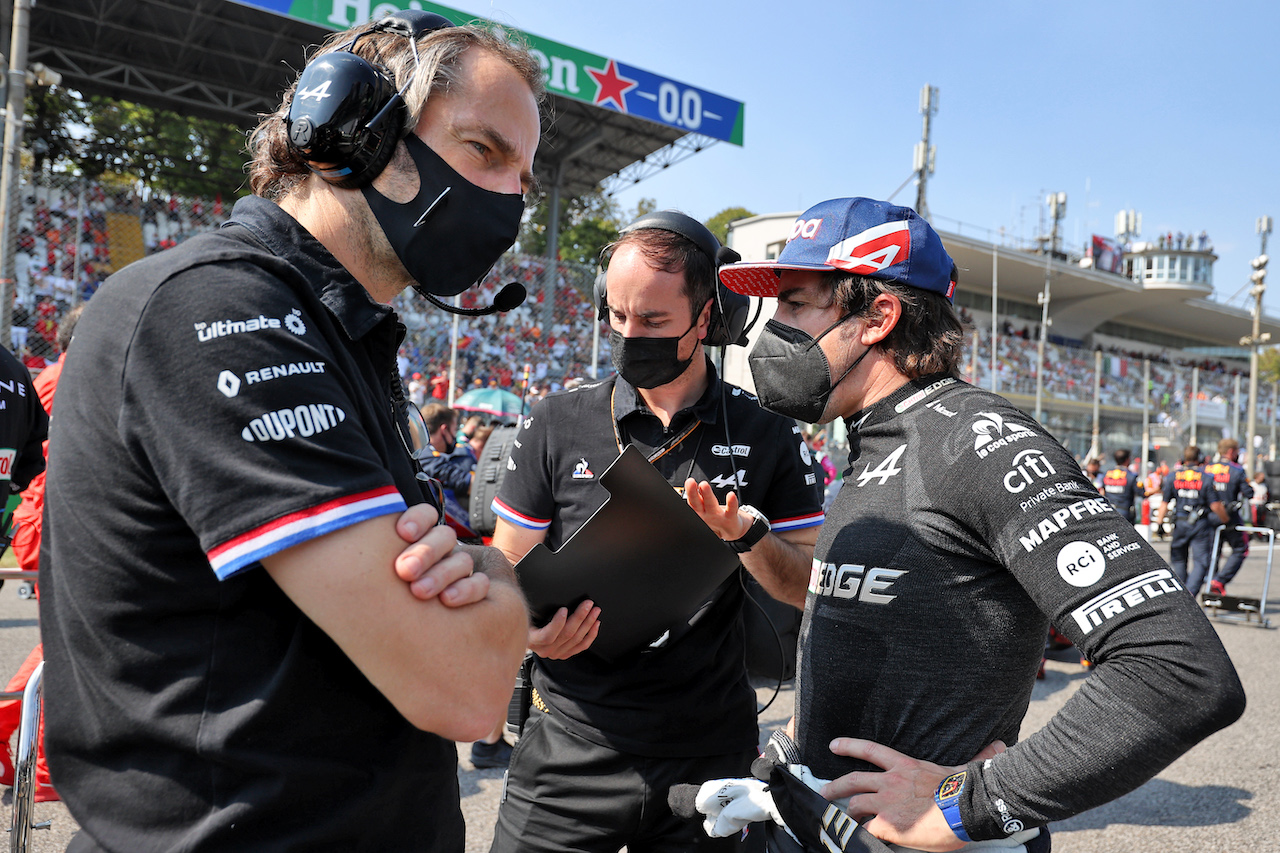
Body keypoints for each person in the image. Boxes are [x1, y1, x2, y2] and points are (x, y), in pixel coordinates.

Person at [40, 12, 541, 851]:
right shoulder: (217, 308)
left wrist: (479, 572)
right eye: (484, 150)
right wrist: (501, 582)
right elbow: (464, 689)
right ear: (351, 128)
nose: (509, 199)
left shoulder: (336, 332)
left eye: (524, 177)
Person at [709, 197, 1244, 851]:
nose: (774, 331)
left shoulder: (978, 441)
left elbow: (1177, 668)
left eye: (795, 304)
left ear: (878, 316)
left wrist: (975, 803)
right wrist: (792, 751)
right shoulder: (876, 442)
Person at [487, 212, 825, 852]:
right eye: (616, 315)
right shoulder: (558, 420)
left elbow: (810, 588)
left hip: (707, 753)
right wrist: (528, 630)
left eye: (653, 321)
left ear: (711, 318)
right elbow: (506, 563)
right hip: (567, 742)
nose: (627, 333)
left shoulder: (767, 432)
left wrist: (747, 538)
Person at [0, 303, 80, 801]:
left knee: (65, 640)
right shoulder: (59, 376)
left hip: (49, 519)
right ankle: (43, 766)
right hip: (54, 522)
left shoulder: (49, 375)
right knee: (67, 641)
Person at [1156, 445, 1229, 595]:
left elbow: (1164, 504)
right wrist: (1226, 520)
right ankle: (1190, 593)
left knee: (1178, 559)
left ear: (1183, 459)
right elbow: (1215, 506)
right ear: (1200, 459)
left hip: (1180, 523)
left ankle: (1183, 593)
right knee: (1201, 562)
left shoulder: (1172, 476)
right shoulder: (1206, 478)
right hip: (1200, 524)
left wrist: (1159, 524)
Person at [1203, 438, 1254, 596]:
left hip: (1209, 517)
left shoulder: (1206, 469)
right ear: (1231, 451)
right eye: (1237, 451)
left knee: (1213, 553)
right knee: (1241, 548)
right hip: (1229, 517)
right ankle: (1219, 581)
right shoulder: (1237, 470)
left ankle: (1210, 582)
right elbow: (1249, 493)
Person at [1101, 448, 1140, 523]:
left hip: (1108, 511)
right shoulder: (1131, 476)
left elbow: (1102, 492)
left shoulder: (1106, 474)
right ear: (1127, 459)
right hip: (1124, 512)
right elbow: (1142, 493)